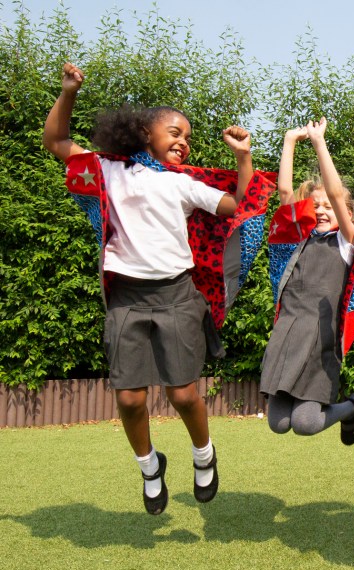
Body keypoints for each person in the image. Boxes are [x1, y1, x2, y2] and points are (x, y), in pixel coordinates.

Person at [42, 63, 275, 515]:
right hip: (126, 298)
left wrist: (243, 156)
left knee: (184, 394)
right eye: (174, 132)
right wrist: (68, 91)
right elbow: (55, 142)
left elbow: (237, 205)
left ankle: (204, 455)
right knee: (129, 399)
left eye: (187, 136)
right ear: (144, 132)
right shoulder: (107, 170)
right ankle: (150, 467)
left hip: (177, 296)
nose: (183, 141)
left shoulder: (182, 184)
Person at [260, 119, 354, 442]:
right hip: (287, 335)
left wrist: (319, 143)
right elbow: (284, 192)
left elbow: (335, 192)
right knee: (277, 423)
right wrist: (290, 140)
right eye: (315, 205)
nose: (321, 210)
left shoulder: (348, 244)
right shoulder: (297, 239)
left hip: (320, 341)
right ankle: (344, 408)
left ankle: (351, 408)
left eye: (329, 207)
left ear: (345, 212)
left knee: (305, 423)